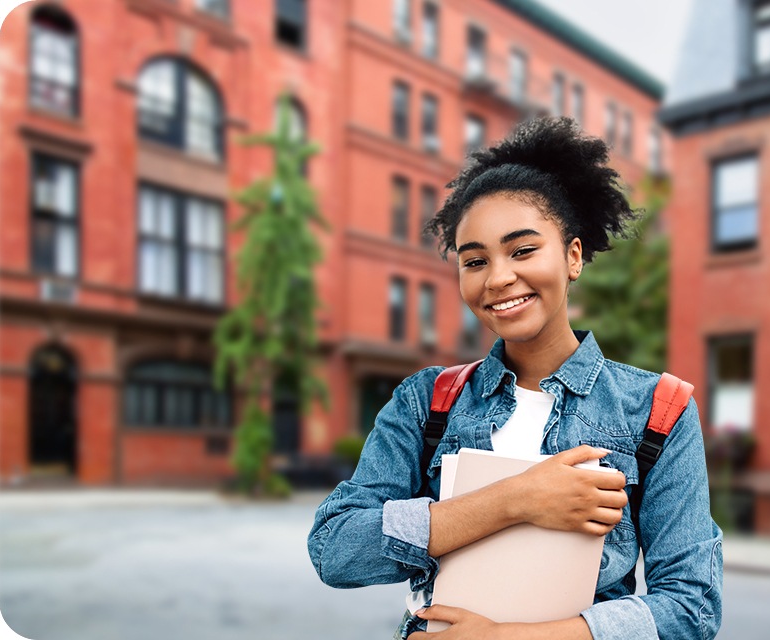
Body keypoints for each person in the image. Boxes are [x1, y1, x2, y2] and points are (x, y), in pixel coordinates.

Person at [308, 117, 723, 640]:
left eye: (523, 250)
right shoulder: (426, 403)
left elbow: (692, 610)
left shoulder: (657, 411)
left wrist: (503, 638)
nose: (499, 277)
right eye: (474, 260)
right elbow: (336, 548)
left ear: (573, 257)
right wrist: (515, 500)